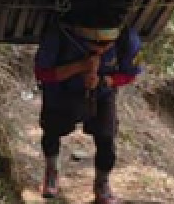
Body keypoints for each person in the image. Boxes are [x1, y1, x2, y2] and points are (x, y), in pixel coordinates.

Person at [33, 14, 142, 204]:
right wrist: (80, 67)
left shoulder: (128, 40)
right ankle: (52, 171)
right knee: (52, 129)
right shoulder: (56, 35)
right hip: (61, 90)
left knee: (106, 136)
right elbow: (42, 73)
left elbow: (129, 74)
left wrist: (106, 80)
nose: (100, 48)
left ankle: (102, 183)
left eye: (106, 44)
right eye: (92, 43)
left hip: (102, 92)